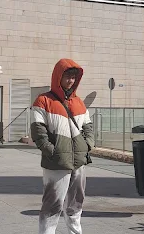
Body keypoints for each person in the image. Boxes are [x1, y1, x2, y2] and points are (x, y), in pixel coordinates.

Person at [31, 58, 94, 234]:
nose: (71, 81)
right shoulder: (43, 101)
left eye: (74, 77)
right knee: (52, 206)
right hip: (56, 163)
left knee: (75, 205)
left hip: (78, 162)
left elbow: (88, 127)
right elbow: (38, 132)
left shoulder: (79, 102)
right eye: (67, 76)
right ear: (58, 76)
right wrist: (52, 151)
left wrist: (87, 145)